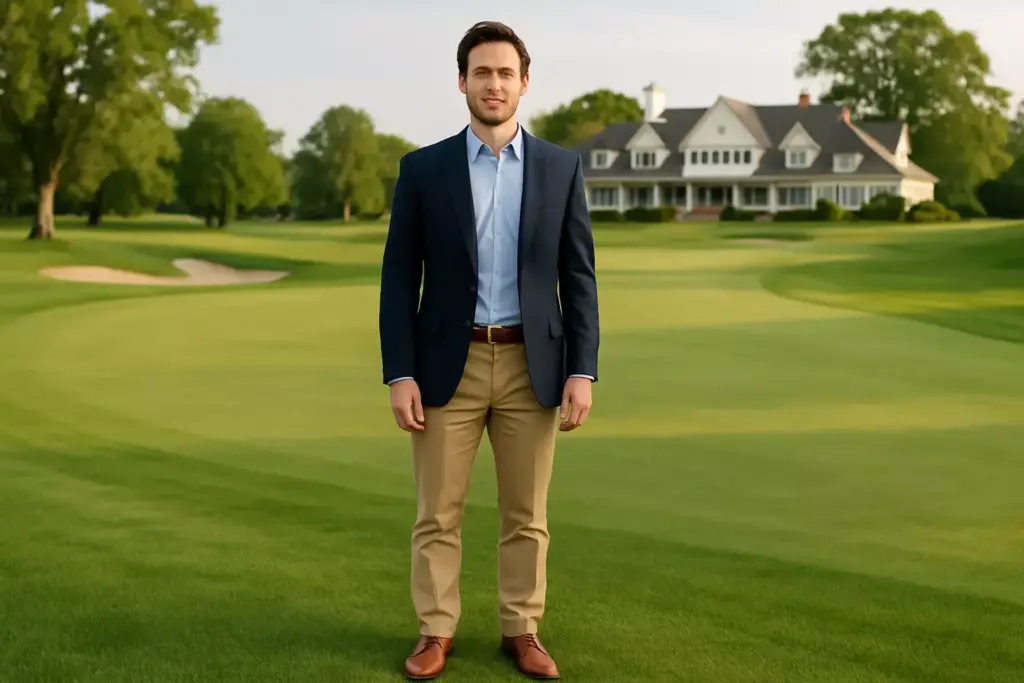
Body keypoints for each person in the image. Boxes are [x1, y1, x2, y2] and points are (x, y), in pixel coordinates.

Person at [378, 19, 599, 680]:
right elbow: (398, 276)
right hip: (450, 363)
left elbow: (578, 276)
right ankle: (435, 629)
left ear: (523, 83)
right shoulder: (423, 170)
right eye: (482, 72)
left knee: (527, 515)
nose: (494, 84)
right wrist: (400, 372)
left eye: (506, 73)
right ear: (462, 82)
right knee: (436, 513)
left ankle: (521, 627)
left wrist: (581, 369)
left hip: (535, 364)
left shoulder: (561, 168)